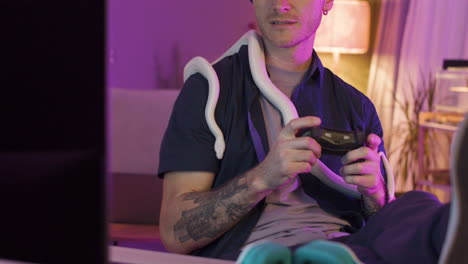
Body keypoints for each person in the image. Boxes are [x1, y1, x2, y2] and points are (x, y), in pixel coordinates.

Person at [157, 0, 467, 263]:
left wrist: (373, 195)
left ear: (328, 2)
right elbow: (175, 233)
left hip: (347, 244)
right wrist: (262, 177)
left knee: (418, 204)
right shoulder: (209, 90)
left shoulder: (356, 106)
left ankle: (449, 230)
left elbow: (384, 226)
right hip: (261, 251)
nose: (281, 4)